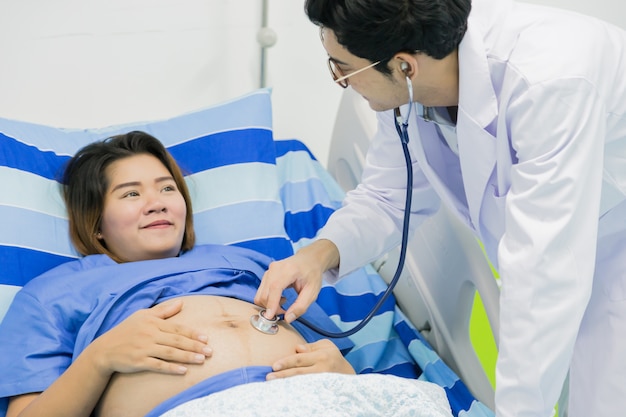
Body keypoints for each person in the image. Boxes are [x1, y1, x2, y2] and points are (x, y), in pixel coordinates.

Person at [254, 0, 626, 416]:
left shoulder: (548, 82)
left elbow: (543, 273)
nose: (340, 80)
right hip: (574, 248)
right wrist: (316, 256)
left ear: (404, 67)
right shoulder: (418, 77)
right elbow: (386, 194)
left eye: (344, 68)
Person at [0, 131, 354, 417]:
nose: (158, 202)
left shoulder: (255, 262)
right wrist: (100, 358)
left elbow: (332, 356)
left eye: (167, 188)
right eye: (131, 193)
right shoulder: (51, 293)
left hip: (313, 402)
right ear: (96, 225)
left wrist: (343, 374)